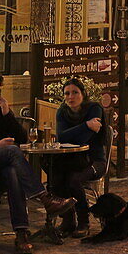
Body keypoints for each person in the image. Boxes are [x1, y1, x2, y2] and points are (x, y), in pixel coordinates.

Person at [0, 71, 75, 253]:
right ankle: (44, 198)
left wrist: (7, 114)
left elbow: (23, 138)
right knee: (11, 151)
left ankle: (21, 233)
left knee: (12, 173)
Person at [53, 79, 105, 238]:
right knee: (55, 176)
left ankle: (84, 221)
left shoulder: (94, 109)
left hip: (94, 160)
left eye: (75, 92)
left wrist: (83, 130)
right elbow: (61, 136)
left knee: (73, 180)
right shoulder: (62, 111)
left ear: (83, 94)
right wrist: (85, 126)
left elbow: (84, 140)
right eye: (67, 93)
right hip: (71, 160)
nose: (71, 97)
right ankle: (68, 220)